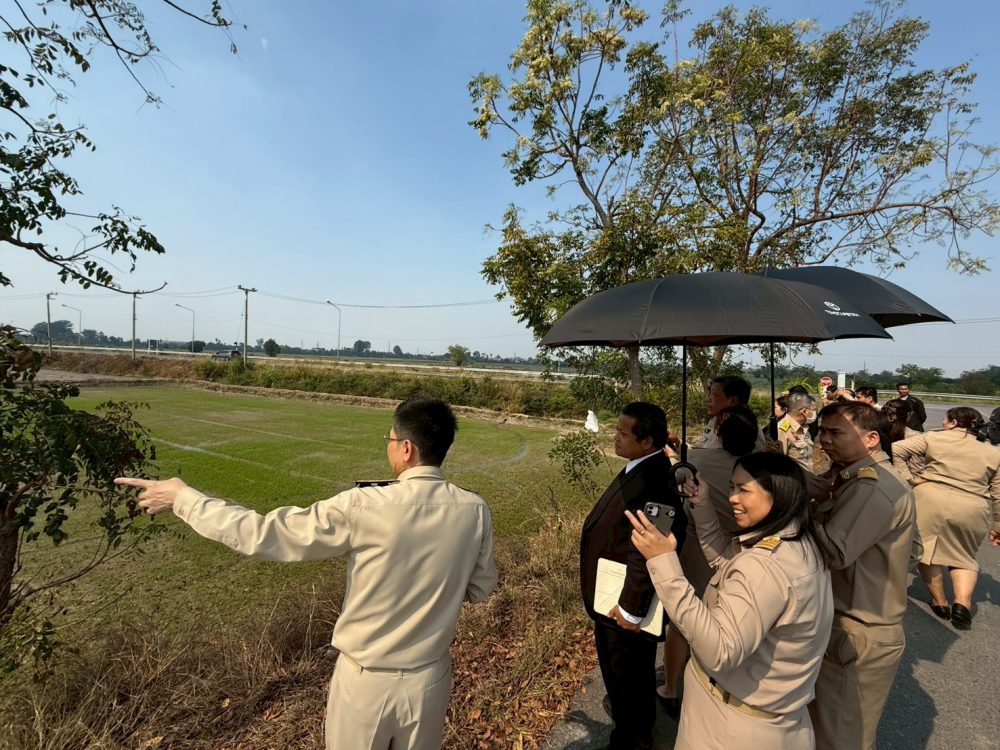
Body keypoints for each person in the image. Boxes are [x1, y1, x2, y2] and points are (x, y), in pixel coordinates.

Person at [115, 398, 497, 750]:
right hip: (430, 682)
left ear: (407, 448)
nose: (389, 448)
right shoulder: (474, 510)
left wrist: (184, 498)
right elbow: (481, 589)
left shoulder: (364, 505)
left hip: (366, 686)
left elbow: (265, 534)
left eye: (390, 440)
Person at [626, 453, 833, 749]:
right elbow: (728, 563)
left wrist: (663, 563)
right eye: (732, 487)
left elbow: (720, 650)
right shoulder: (799, 540)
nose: (733, 498)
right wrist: (703, 505)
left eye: (744, 489)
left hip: (730, 726)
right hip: (776, 722)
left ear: (779, 494)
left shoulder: (764, 568)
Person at [808, 401, 919, 750]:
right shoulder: (858, 477)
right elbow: (914, 552)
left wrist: (796, 508)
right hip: (855, 623)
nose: (824, 440)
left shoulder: (872, 487)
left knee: (838, 737)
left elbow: (834, 551)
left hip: (858, 628)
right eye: (822, 431)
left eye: (835, 432)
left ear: (871, 439)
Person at [580, 401, 687, 750]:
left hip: (623, 606)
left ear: (647, 441)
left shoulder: (655, 483)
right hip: (612, 596)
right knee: (620, 677)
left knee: (628, 678)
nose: (615, 438)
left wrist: (631, 609)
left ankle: (632, 740)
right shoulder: (643, 467)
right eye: (617, 430)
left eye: (623, 434)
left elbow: (648, 551)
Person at [657, 404, 760, 717]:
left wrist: (676, 456)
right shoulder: (763, 463)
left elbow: (681, 476)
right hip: (750, 550)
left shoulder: (699, 461)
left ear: (718, 432)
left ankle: (671, 687)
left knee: (684, 620)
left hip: (702, 547)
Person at [891, 407, 1000, 629]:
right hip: (972, 506)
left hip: (930, 499)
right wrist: (998, 524)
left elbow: (897, 448)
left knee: (927, 553)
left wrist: (909, 478)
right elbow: (998, 493)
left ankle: (940, 602)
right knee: (964, 556)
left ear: (953, 423)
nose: (942, 423)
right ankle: (962, 604)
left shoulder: (934, 438)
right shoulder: (993, 452)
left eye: (945, 419)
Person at [692, 375, 754, 449]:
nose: (708, 399)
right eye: (710, 393)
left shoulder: (743, 431)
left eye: (714, 394)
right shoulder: (715, 421)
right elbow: (700, 448)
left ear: (733, 400)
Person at [775, 392, 817, 472]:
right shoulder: (782, 430)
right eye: (814, 410)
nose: (815, 413)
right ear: (805, 411)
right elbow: (780, 463)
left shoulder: (803, 427)